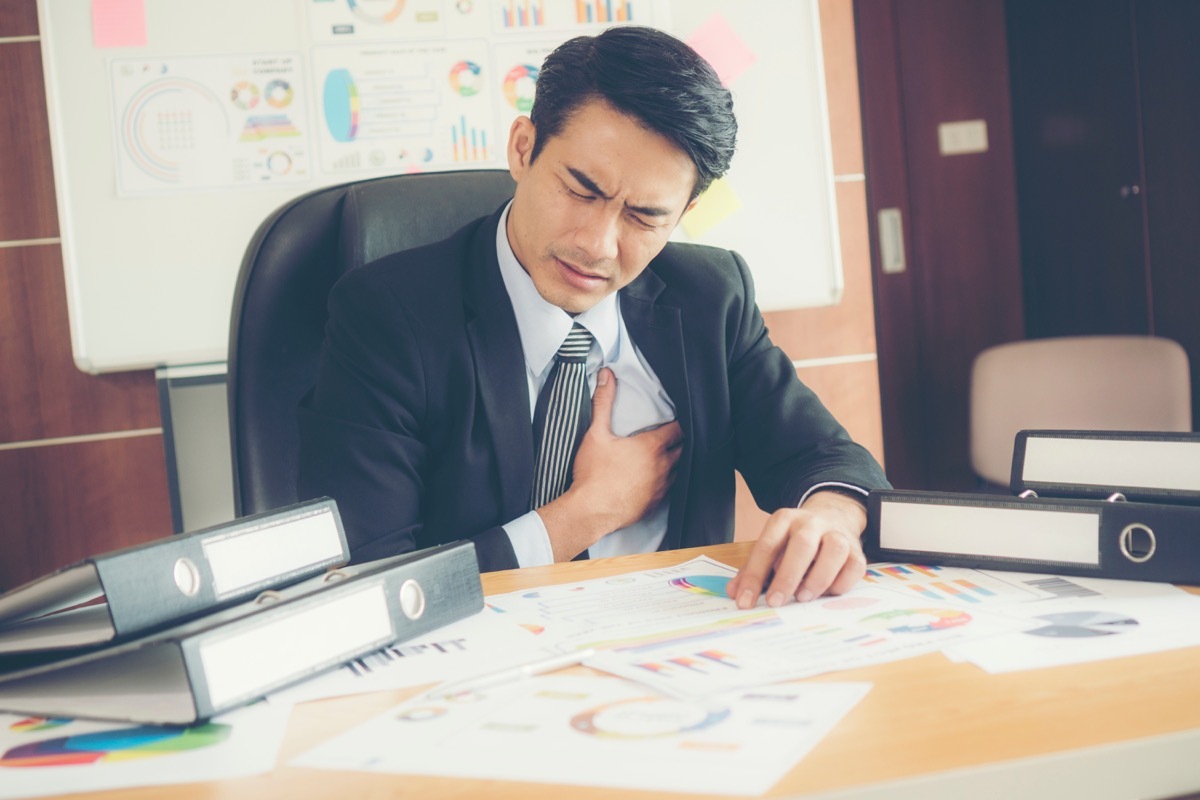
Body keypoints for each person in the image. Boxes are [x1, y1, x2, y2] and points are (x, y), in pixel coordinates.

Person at [297, 25, 890, 609]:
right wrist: (584, 514)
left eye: (645, 216)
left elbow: (826, 460)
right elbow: (368, 587)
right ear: (523, 148)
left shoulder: (712, 299)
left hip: (674, 657)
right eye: (582, 190)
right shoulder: (387, 316)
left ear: (686, 210)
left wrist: (831, 516)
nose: (599, 245)